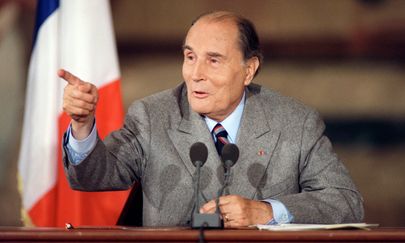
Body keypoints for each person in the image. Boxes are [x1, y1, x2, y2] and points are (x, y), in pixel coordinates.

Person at [60, 11, 364, 227]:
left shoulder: (295, 123)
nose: (195, 74)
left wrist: (266, 212)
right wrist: (83, 125)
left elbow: (346, 202)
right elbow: (90, 177)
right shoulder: (153, 116)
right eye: (190, 57)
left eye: (213, 60)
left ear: (249, 69)